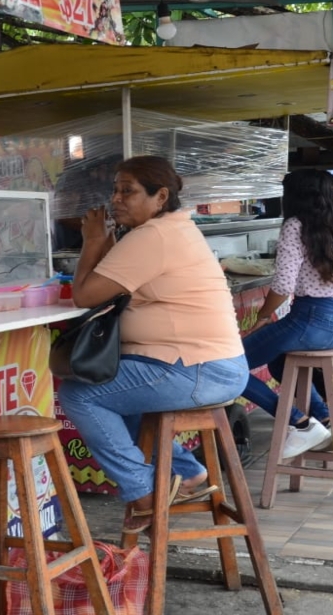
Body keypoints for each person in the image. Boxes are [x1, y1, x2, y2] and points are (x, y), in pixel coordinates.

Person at [57, 156, 248, 535]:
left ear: (160, 196)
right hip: (209, 367)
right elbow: (108, 279)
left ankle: (142, 493)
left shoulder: (155, 235)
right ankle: (188, 474)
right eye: (115, 190)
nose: (116, 199)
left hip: (196, 370)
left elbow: (85, 294)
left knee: (80, 395)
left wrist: (93, 238)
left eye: (127, 191)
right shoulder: (168, 230)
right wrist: (103, 241)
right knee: (115, 397)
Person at [238, 169, 333, 459]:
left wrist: (263, 316)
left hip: (312, 321)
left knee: (228, 367)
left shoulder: (296, 226)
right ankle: (322, 421)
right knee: (278, 362)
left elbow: (283, 285)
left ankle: (299, 422)